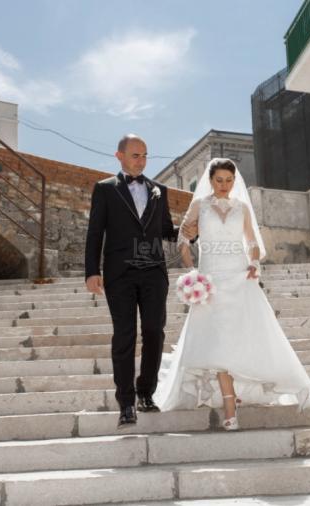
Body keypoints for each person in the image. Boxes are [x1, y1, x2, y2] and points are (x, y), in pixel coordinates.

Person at [154, 157, 310, 430]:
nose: (224, 185)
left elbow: (252, 243)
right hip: (210, 282)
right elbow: (183, 241)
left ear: (235, 181)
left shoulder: (242, 207)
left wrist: (254, 262)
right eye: (219, 180)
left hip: (239, 278)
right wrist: (192, 272)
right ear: (210, 181)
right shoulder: (199, 205)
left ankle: (245, 393)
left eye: (229, 180)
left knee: (245, 337)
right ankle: (230, 406)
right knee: (219, 343)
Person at [84, 134, 196, 428]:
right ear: (119, 155)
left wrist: (188, 231)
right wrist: (91, 271)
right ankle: (126, 403)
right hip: (119, 273)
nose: (141, 160)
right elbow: (96, 231)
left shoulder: (159, 190)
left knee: (154, 333)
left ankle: (146, 393)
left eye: (145, 155)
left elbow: (163, 230)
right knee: (124, 335)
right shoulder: (105, 189)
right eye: (135, 155)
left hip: (154, 272)